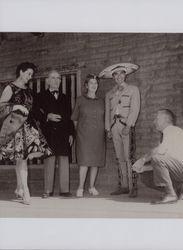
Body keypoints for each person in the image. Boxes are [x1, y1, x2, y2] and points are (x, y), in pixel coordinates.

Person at [0, 62, 51, 205]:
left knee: (21, 158)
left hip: (28, 127)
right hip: (14, 127)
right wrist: (15, 106)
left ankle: (19, 188)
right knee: (22, 159)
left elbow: (33, 109)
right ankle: (25, 190)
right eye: (28, 74)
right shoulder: (10, 88)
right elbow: (1, 106)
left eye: (31, 75)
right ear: (21, 72)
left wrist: (45, 117)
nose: (30, 77)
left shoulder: (28, 90)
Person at [132, 109, 183, 204]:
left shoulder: (173, 130)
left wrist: (142, 160)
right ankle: (178, 188)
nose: (154, 121)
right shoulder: (167, 135)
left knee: (156, 158)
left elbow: (158, 155)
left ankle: (170, 194)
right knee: (145, 176)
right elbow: (162, 164)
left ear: (166, 120)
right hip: (181, 169)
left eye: (157, 118)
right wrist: (143, 168)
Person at [99, 63, 140, 196]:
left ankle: (133, 187)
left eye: (121, 73)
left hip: (126, 126)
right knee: (119, 157)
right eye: (115, 74)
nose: (119, 76)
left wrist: (129, 125)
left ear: (125, 75)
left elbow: (135, 109)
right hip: (114, 127)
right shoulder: (109, 94)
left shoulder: (133, 89)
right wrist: (108, 129)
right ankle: (123, 186)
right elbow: (107, 113)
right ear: (112, 77)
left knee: (129, 157)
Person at [34, 70, 74, 198]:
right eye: (53, 78)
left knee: (64, 160)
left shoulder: (65, 97)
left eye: (58, 78)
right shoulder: (40, 96)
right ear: (47, 81)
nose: (56, 81)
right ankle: (48, 190)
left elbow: (69, 117)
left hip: (63, 133)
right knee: (49, 160)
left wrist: (71, 133)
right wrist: (47, 116)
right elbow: (35, 112)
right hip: (48, 133)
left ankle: (64, 190)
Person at [71, 74, 105, 197]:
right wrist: (80, 132)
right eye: (91, 83)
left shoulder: (101, 101)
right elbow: (75, 118)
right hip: (83, 136)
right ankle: (80, 188)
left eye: (95, 83)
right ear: (86, 85)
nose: (93, 85)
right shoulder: (80, 100)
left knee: (95, 162)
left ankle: (91, 187)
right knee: (84, 162)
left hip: (98, 136)